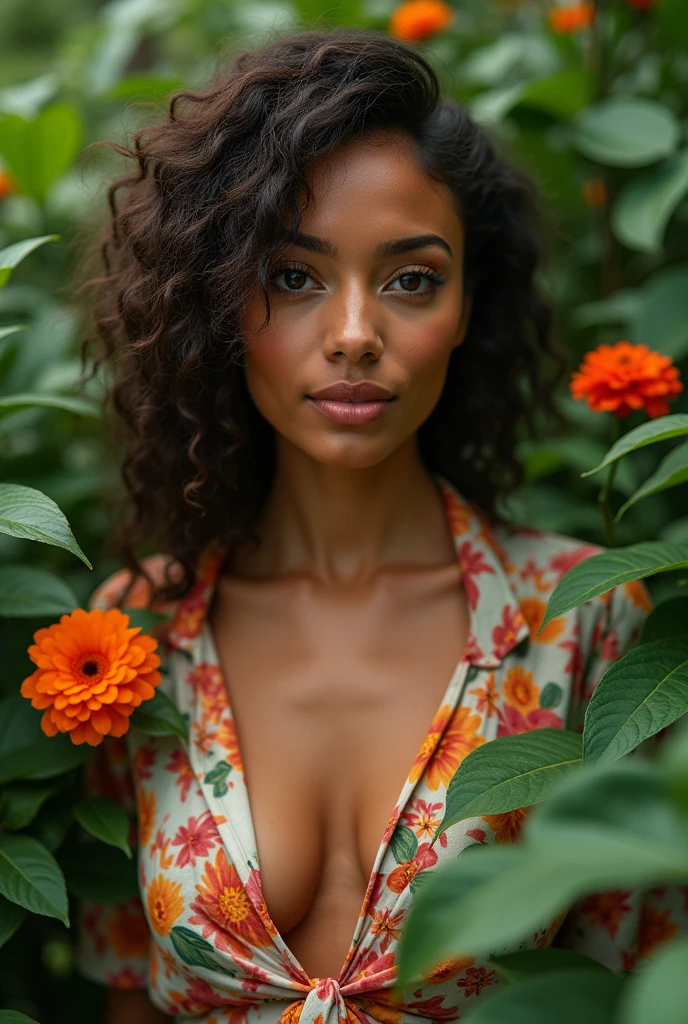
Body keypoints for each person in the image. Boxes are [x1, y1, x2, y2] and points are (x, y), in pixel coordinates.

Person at [74, 27, 678, 1024]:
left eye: (409, 279)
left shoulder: (587, 624)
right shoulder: (133, 643)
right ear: (217, 304)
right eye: (294, 275)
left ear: (466, 307)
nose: (354, 332)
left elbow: (640, 988)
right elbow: (125, 998)